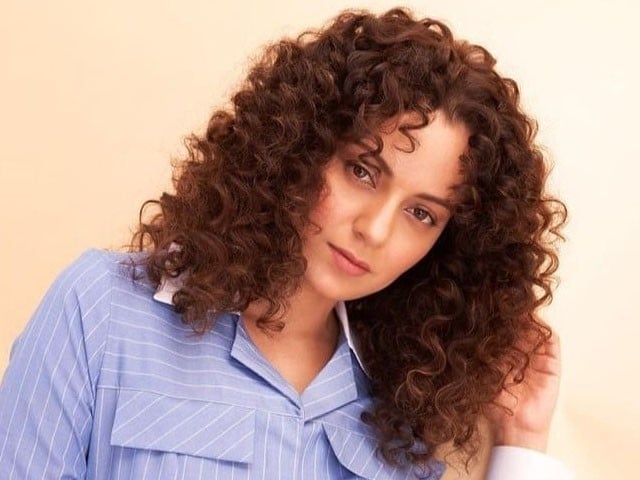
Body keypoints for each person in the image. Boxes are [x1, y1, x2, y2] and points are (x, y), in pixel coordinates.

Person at [0, 7, 572, 479]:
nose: (375, 229)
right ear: (299, 147)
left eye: (421, 213)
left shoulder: (405, 416)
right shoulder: (102, 311)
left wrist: (523, 440)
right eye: (363, 171)